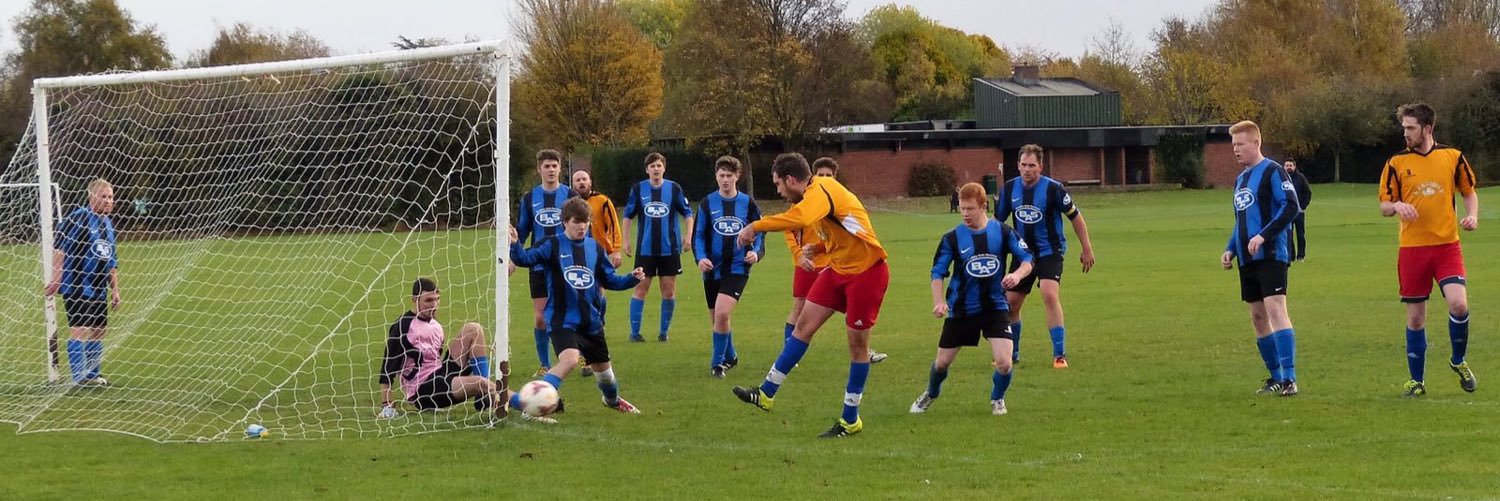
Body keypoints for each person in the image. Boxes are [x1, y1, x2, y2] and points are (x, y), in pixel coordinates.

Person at [732, 152, 889, 438]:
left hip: (867, 274)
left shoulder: (820, 190)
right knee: (803, 326)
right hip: (837, 270)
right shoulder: (814, 194)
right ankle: (766, 394)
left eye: (779, 185)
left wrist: (756, 225)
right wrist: (817, 249)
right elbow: (841, 230)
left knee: (858, 348)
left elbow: (800, 218)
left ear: (792, 180)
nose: (779, 191)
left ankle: (850, 420)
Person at [510, 198, 648, 415]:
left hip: (591, 322)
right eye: (577, 222)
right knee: (570, 359)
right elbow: (524, 258)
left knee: (606, 375)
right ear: (565, 221)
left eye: (585, 222)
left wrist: (632, 278)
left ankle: (611, 401)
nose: (582, 227)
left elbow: (611, 280)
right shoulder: (551, 244)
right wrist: (515, 243)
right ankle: (532, 407)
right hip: (562, 320)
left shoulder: (595, 248)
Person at [1378, 103, 1479, 397]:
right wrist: (1396, 205)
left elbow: (1469, 191)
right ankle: (1417, 382)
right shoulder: (1395, 163)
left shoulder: (1453, 157)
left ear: (1428, 129)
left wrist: (1472, 215)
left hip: (1448, 246)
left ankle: (1458, 360)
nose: (1405, 133)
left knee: (1459, 305)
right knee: (1415, 318)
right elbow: (1384, 205)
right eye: (1404, 128)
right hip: (1412, 250)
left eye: (1411, 128)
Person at [911, 183, 1033, 416]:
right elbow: (937, 272)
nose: (965, 214)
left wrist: (1016, 275)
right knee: (942, 363)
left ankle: (997, 398)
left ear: (983, 206)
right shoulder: (952, 238)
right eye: (961, 208)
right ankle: (931, 392)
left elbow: (1027, 259)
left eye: (970, 208)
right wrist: (938, 302)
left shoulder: (1003, 232)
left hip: (995, 307)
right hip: (961, 309)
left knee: (1005, 363)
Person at [994, 144, 1096, 368]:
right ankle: (1013, 353)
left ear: (1041, 166)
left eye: (1032, 165)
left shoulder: (1054, 189)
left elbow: (1076, 218)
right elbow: (997, 224)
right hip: (1022, 255)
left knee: (1049, 295)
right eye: (1023, 165)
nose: (1027, 169)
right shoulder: (1009, 190)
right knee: (1011, 304)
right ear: (1018, 166)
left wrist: (1086, 248)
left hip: (1050, 251)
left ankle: (1059, 355)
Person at [1220, 120, 1301, 397]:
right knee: (1257, 317)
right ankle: (1275, 376)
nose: (1235, 150)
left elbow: (1291, 207)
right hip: (1247, 258)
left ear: (1256, 143)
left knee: (1276, 310)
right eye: (1233, 145)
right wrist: (1231, 247)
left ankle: (1290, 378)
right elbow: (1241, 220)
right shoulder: (1240, 180)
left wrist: (1263, 236)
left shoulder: (1274, 172)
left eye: (1240, 144)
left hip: (1271, 254)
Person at [377, 278, 507, 420]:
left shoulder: (435, 326)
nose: (434, 305)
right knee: (479, 383)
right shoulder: (403, 326)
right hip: (423, 390)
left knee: (474, 329)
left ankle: (484, 397)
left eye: (437, 299)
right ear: (414, 300)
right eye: (428, 300)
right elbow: (387, 369)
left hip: (440, 373)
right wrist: (387, 405)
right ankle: (521, 403)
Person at [808, 157, 888, 363]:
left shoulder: (840, 200)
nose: (825, 179)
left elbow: (847, 236)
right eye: (821, 175)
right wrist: (807, 251)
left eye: (829, 176)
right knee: (800, 309)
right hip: (820, 266)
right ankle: (791, 349)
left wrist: (818, 248)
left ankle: (863, 349)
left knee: (853, 308)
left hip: (845, 267)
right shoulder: (813, 201)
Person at [692, 156, 764, 378]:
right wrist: (701, 258)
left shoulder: (748, 203)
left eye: (729, 176)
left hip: (737, 267)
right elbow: (698, 235)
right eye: (721, 175)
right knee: (717, 320)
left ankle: (717, 364)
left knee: (722, 313)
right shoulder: (707, 203)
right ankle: (730, 355)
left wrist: (756, 252)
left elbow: (760, 230)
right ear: (716, 176)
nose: (725, 180)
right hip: (712, 268)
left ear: (737, 176)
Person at [44, 178, 121, 386]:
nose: (108, 201)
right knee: (80, 328)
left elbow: (111, 260)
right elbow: (59, 247)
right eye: (104, 196)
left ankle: (92, 375)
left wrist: (115, 290)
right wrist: (56, 279)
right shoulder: (78, 217)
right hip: (77, 284)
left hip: (98, 288)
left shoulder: (108, 224)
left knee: (99, 329)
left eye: (111, 197)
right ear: (91, 197)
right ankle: (78, 378)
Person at [622, 152, 694, 342]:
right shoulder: (638, 189)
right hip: (645, 250)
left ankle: (664, 333)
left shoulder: (674, 189)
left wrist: (688, 236)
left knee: (668, 290)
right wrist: (626, 240)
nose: (655, 169)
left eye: (658, 165)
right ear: (647, 170)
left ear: (664, 168)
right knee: (640, 288)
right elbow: (628, 215)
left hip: (669, 249)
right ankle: (635, 333)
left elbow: (687, 213)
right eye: (652, 166)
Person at [514, 149, 572, 377]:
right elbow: (522, 231)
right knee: (540, 318)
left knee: (571, 312)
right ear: (539, 169)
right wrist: (512, 257)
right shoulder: (530, 198)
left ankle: (577, 355)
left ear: (560, 168)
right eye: (546, 166)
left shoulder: (570, 195)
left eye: (554, 166)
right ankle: (545, 364)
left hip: (566, 263)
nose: (550, 170)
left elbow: (581, 229)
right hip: (538, 264)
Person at [572, 169, 624, 268]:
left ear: (590, 182)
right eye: (578, 180)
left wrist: (616, 250)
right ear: (573, 184)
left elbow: (613, 226)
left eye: (584, 179)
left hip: (600, 252)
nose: (582, 182)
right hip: (576, 253)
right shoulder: (570, 204)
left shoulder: (602, 201)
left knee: (603, 282)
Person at [1284, 159, 1312, 261]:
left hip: (1299, 212)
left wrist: (1303, 206)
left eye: (1290, 165)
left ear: (1294, 166)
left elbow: (1308, 192)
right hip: (1287, 212)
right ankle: (1290, 256)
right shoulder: (1282, 178)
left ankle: (1301, 256)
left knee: (1300, 234)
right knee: (1288, 235)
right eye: (1287, 165)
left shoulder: (1301, 178)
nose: (1289, 167)